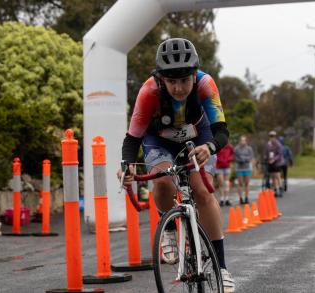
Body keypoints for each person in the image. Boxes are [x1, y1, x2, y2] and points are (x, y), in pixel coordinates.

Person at [118, 38, 235, 292]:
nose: (179, 88)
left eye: (184, 80)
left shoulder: (206, 83)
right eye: (172, 81)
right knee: (161, 180)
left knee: (202, 190)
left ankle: (221, 267)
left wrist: (210, 147)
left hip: (199, 137)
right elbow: (132, 139)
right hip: (158, 140)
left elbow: (222, 131)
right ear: (161, 79)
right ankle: (168, 227)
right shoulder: (149, 91)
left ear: (195, 75)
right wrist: (127, 166)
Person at [234, 135, 254, 204]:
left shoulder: (249, 148)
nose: (243, 142)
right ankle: (240, 198)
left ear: (246, 141)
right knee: (240, 184)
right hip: (239, 169)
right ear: (240, 141)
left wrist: (245, 159)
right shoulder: (236, 148)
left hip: (247, 168)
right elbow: (235, 157)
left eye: (244, 140)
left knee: (247, 183)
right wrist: (240, 160)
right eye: (241, 140)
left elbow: (251, 157)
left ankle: (246, 197)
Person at [264, 131, 285, 197]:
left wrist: (274, 159)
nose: (271, 138)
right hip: (270, 162)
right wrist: (265, 157)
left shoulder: (278, 144)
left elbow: (280, 154)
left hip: (277, 162)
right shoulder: (268, 144)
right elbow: (266, 152)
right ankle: (275, 189)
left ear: (275, 137)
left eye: (273, 136)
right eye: (270, 136)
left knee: (277, 175)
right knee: (272, 176)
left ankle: (280, 188)